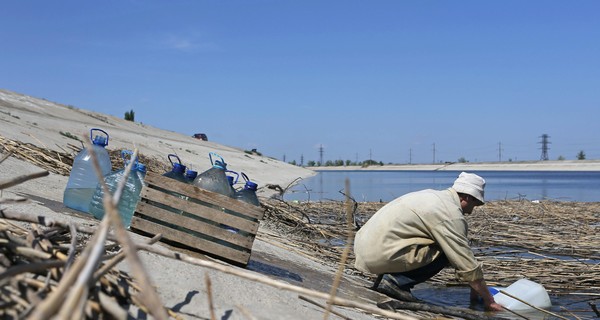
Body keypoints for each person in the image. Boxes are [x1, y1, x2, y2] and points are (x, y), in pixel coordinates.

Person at [353, 172, 503, 311]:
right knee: (446, 251)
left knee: (440, 245)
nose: (470, 211)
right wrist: (489, 301)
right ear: (467, 198)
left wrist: (475, 288)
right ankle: (396, 282)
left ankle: (389, 278)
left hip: (364, 249)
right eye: (474, 205)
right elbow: (465, 262)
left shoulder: (433, 196)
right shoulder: (450, 214)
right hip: (380, 254)